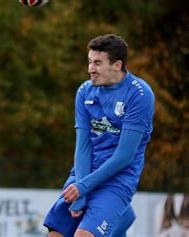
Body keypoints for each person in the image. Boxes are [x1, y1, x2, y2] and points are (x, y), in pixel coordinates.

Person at [43, 34, 155, 237]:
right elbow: (83, 146)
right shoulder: (85, 91)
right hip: (83, 173)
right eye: (89, 62)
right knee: (55, 233)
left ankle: (122, 216)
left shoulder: (139, 94)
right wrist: (80, 189)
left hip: (118, 179)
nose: (90, 69)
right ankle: (123, 219)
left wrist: (83, 187)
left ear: (117, 65)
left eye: (97, 63)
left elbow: (125, 155)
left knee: (83, 235)